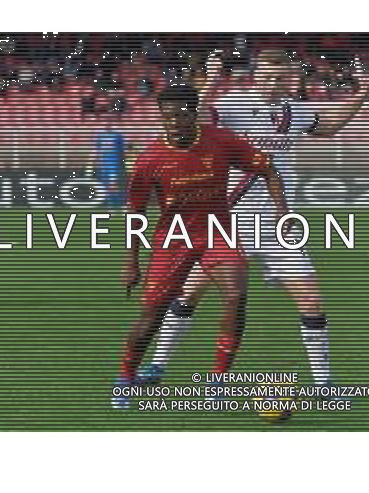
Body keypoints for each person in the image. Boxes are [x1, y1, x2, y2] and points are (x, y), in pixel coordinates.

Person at [139, 49, 369, 387]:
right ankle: (157, 367)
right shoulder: (233, 104)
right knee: (189, 294)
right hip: (228, 221)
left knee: (311, 300)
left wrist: (363, 93)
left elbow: (332, 126)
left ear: (290, 78)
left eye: (279, 76)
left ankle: (324, 385)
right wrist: (212, 79)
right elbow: (196, 116)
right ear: (255, 75)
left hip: (279, 224)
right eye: (265, 75)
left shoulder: (298, 111)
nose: (271, 81)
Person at [112, 84, 288, 408]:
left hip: (219, 234)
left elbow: (268, 169)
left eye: (181, 115)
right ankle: (125, 377)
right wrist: (131, 261)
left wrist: (282, 213)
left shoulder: (221, 140)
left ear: (195, 114)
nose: (174, 122)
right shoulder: (149, 159)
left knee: (236, 296)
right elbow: (135, 214)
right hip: (173, 240)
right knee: (152, 317)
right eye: (167, 117)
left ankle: (217, 380)